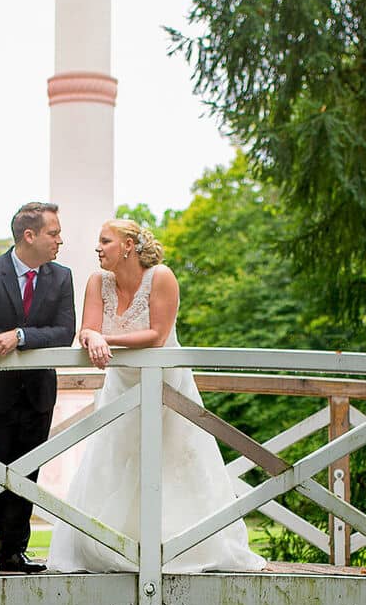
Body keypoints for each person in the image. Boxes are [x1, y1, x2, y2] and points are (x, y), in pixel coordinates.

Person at [48, 218, 265, 572]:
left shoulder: (161, 276)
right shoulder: (98, 281)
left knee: (173, 457)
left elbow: (157, 336)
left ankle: (183, 545)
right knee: (113, 458)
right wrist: (91, 336)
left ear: (128, 246)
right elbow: (86, 329)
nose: (98, 248)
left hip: (165, 384)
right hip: (120, 387)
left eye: (106, 241)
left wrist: (106, 338)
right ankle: (113, 544)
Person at [0, 203, 75, 573]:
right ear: (29, 236)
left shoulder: (62, 277)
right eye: (53, 233)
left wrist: (20, 336)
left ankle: (14, 552)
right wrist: (11, 337)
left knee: (28, 473)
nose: (60, 240)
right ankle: (5, 542)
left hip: (37, 394)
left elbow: (64, 332)